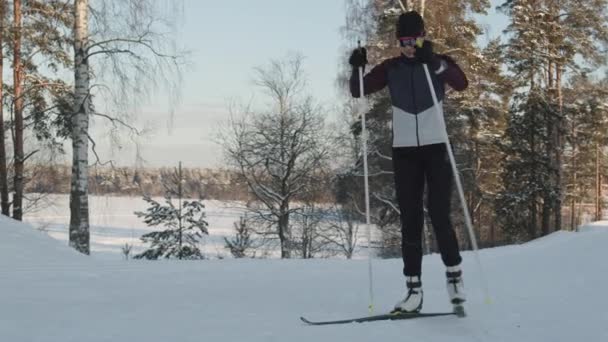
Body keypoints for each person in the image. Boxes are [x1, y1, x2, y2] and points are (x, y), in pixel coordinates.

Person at [349, 11, 468, 313]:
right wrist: (356, 67)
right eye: (403, 41)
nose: (409, 46)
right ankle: (413, 291)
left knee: (439, 214)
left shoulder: (437, 62)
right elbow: (358, 89)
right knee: (410, 221)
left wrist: (436, 64)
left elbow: (462, 82)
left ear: (422, 36)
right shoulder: (391, 68)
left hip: (436, 149)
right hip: (404, 152)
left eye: (413, 40)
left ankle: (454, 276)